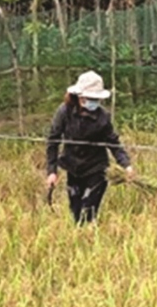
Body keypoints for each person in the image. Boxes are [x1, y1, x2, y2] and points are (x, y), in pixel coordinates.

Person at [45, 71, 133, 224]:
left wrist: (126, 165)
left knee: (88, 211)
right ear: (79, 96)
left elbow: (113, 143)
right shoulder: (65, 112)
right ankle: (80, 241)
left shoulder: (103, 117)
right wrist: (52, 171)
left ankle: (90, 236)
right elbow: (53, 140)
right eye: (90, 98)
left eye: (96, 99)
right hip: (73, 167)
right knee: (76, 212)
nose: (93, 102)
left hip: (96, 168)